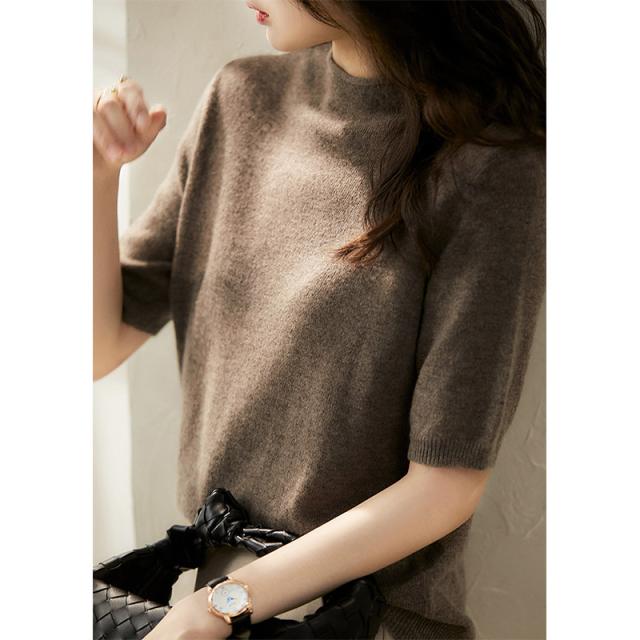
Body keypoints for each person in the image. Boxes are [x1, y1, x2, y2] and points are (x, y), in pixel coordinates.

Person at [93, 1, 546, 638]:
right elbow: (98, 347)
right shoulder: (241, 99)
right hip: (211, 612)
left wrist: (223, 605)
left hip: (362, 622)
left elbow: (446, 484)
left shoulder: (490, 163)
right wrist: (99, 176)